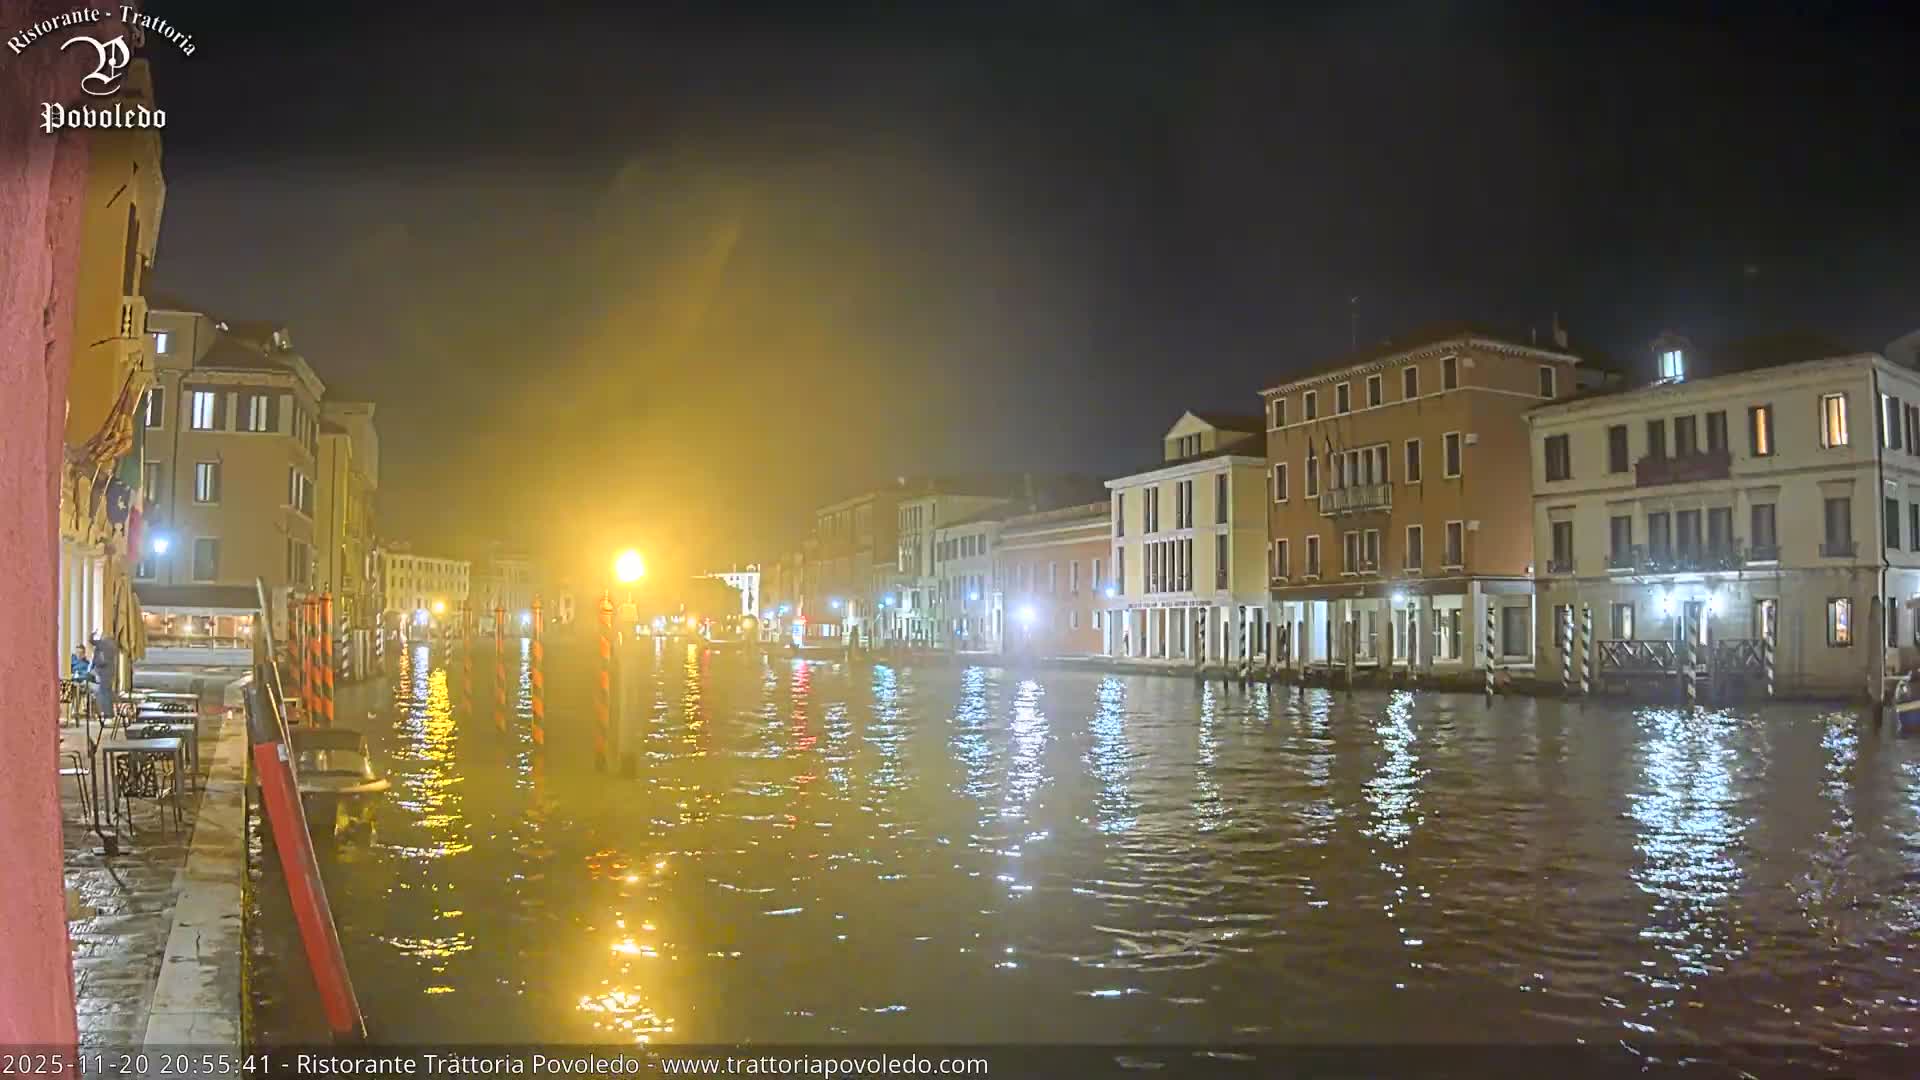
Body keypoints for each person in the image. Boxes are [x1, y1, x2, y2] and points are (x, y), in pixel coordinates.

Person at [89, 633, 118, 722]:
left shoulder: (103, 644)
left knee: (104, 693)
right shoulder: (112, 645)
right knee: (107, 692)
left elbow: (92, 642)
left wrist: (91, 635)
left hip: (103, 672)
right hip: (110, 672)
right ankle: (109, 713)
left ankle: (107, 713)